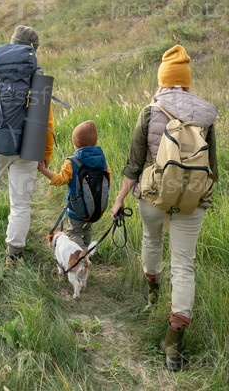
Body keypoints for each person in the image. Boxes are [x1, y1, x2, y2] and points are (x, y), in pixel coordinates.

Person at [110, 45, 218, 371]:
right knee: (184, 265)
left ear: (163, 80)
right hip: (192, 201)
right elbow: (212, 168)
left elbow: (133, 165)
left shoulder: (149, 112)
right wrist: (200, 197)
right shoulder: (206, 115)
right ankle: (173, 344)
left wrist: (119, 200)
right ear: (186, 81)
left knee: (152, 241)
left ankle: (153, 295)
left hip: (154, 197)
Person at [0, 25, 55, 263]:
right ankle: (13, 255)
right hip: (28, 147)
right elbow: (46, 119)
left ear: (12, 42)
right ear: (33, 50)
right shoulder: (37, 74)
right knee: (21, 204)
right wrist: (46, 153)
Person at [38, 120, 111, 248]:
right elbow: (108, 181)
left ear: (76, 145)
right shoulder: (103, 162)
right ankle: (87, 251)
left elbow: (60, 180)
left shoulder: (72, 163)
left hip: (76, 209)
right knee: (87, 229)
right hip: (94, 207)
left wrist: (44, 170)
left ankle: (81, 255)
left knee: (74, 232)